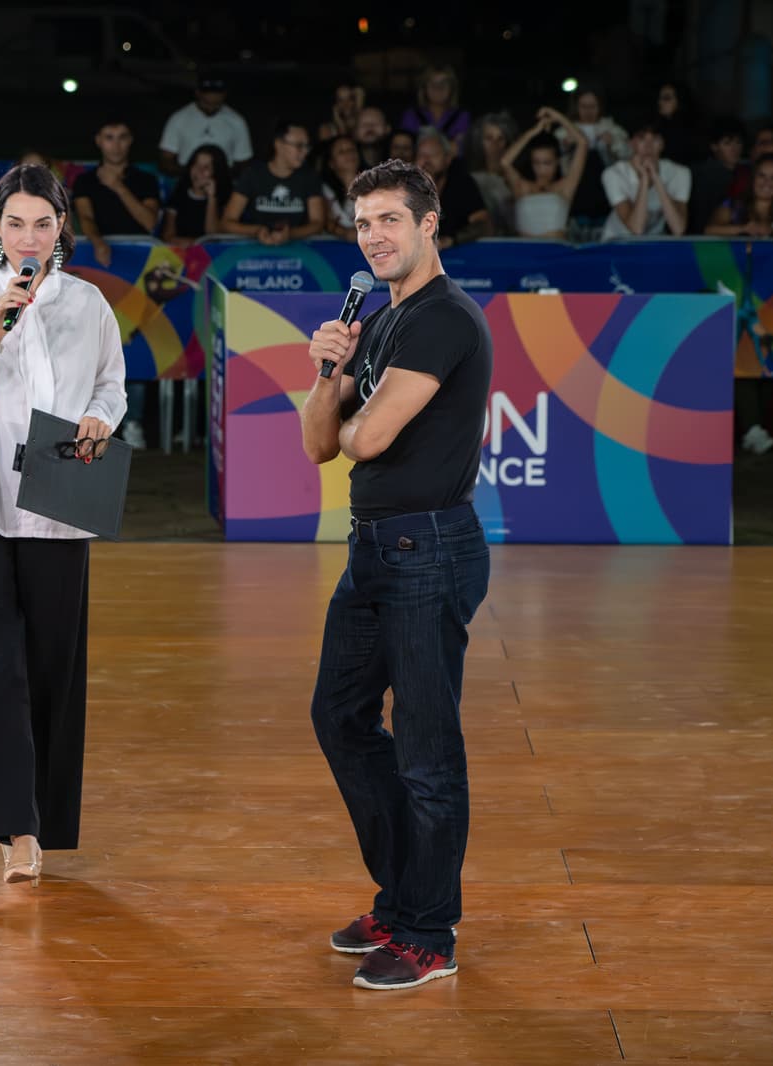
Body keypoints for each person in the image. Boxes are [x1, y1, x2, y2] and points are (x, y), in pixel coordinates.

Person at [300, 157, 492, 991]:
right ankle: (404, 896)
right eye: (362, 223)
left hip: (429, 549)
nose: (373, 236)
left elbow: (367, 440)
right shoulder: (379, 323)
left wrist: (351, 419)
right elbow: (320, 444)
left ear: (427, 224)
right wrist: (328, 374)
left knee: (425, 750)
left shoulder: (442, 318)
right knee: (339, 715)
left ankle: (429, 933)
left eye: (389, 219)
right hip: (375, 548)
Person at [0, 163, 126, 887]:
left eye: (43, 223)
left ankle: (35, 812)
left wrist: (101, 417)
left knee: (49, 668)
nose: (29, 237)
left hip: (58, 501)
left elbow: (112, 383)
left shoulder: (88, 303)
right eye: (15, 223)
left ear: (61, 227)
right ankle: (19, 830)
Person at [71, 118, 161, 267]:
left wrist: (118, 186)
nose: (116, 145)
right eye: (109, 138)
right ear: (98, 141)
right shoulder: (84, 181)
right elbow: (85, 217)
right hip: (97, 253)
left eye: (122, 137)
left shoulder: (147, 180)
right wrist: (98, 242)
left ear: (130, 140)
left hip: (139, 256)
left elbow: (150, 223)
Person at [220, 119, 324, 244]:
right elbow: (227, 222)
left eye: (307, 146)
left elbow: (318, 223)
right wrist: (257, 231)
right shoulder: (252, 175)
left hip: (299, 249)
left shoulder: (310, 177)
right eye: (299, 146)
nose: (305, 151)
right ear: (278, 145)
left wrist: (290, 234)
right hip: (255, 249)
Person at [499, 107, 589, 239]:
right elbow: (505, 162)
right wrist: (534, 131)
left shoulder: (564, 187)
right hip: (526, 248)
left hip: (556, 248)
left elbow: (582, 143)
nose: (541, 169)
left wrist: (557, 117)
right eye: (536, 163)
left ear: (557, 162)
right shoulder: (523, 187)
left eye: (547, 163)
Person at [600, 120, 690, 240]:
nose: (649, 146)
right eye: (642, 138)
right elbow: (636, 229)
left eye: (655, 139)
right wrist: (644, 179)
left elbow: (678, 229)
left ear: (662, 144)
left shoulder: (680, 172)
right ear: (631, 143)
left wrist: (656, 178)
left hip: (654, 241)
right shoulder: (614, 173)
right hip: (617, 240)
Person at [157, 73, 253, 178]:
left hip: (224, 179)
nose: (211, 108)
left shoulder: (237, 121)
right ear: (198, 93)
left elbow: (244, 161)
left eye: (216, 104)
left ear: (224, 95)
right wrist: (192, 175)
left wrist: (221, 177)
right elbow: (166, 159)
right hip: (188, 178)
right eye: (206, 103)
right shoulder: (178, 119)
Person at [413, 129, 491, 248]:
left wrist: (452, 240)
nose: (426, 160)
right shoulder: (405, 187)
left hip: (457, 253)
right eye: (421, 155)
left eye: (433, 154)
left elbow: (484, 224)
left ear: (448, 159)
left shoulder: (461, 184)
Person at [705, 153, 773, 238]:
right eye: (762, 176)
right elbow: (709, 230)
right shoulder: (732, 204)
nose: (767, 182)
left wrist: (772, 228)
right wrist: (744, 229)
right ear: (753, 178)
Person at [162, 143, 233, 243]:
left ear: (216, 171)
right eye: (196, 164)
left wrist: (211, 197)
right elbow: (168, 237)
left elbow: (213, 236)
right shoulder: (178, 195)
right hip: (181, 250)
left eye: (206, 167)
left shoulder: (227, 199)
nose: (199, 171)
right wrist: (198, 244)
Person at [398, 66, 470, 152]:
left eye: (444, 83)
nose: (438, 87)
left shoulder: (462, 116)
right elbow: (404, 147)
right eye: (432, 83)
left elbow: (463, 149)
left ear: (452, 88)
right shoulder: (411, 115)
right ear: (424, 88)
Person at [319, 135, 366, 240]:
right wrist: (345, 233)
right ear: (331, 163)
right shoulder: (324, 189)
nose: (348, 154)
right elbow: (326, 222)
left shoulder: (375, 185)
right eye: (341, 152)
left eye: (351, 150)